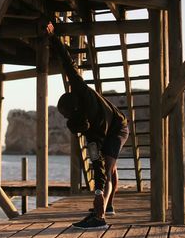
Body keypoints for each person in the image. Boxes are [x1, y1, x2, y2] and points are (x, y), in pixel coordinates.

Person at [46, 22, 129, 229]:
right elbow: (67, 62)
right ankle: (107, 205)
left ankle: (100, 217)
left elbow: (67, 63)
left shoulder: (90, 124)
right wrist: (53, 37)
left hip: (118, 127)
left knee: (108, 169)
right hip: (108, 126)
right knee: (108, 168)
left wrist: (98, 193)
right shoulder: (88, 129)